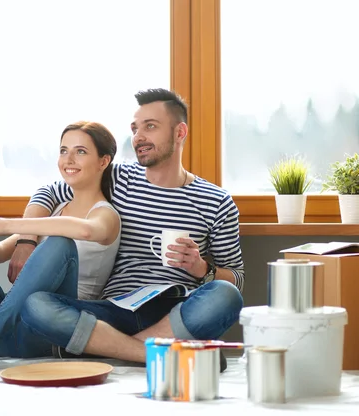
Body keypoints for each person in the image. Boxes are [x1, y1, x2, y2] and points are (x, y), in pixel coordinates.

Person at [15, 88, 245, 372]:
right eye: (135, 128)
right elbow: (48, 191)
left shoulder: (216, 201)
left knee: (225, 295)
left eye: (150, 126)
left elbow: (235, 278)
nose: (139, 137)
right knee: (36, 305)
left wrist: (201, 268)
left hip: (174, 309)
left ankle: (107, 350)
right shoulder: (118, 177)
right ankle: (151, 353)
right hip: (113, 309)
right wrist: (25, 241)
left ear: (180, 132)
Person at [0, 121, 121, 374]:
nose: (68, 159)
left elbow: (85, 230)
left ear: (103, 161)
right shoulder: (57, 211)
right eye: (63, 150)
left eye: (80, 151)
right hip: (11, 325)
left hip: (48, 326)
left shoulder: (106, 215)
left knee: (60, 242)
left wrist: (3, 223)